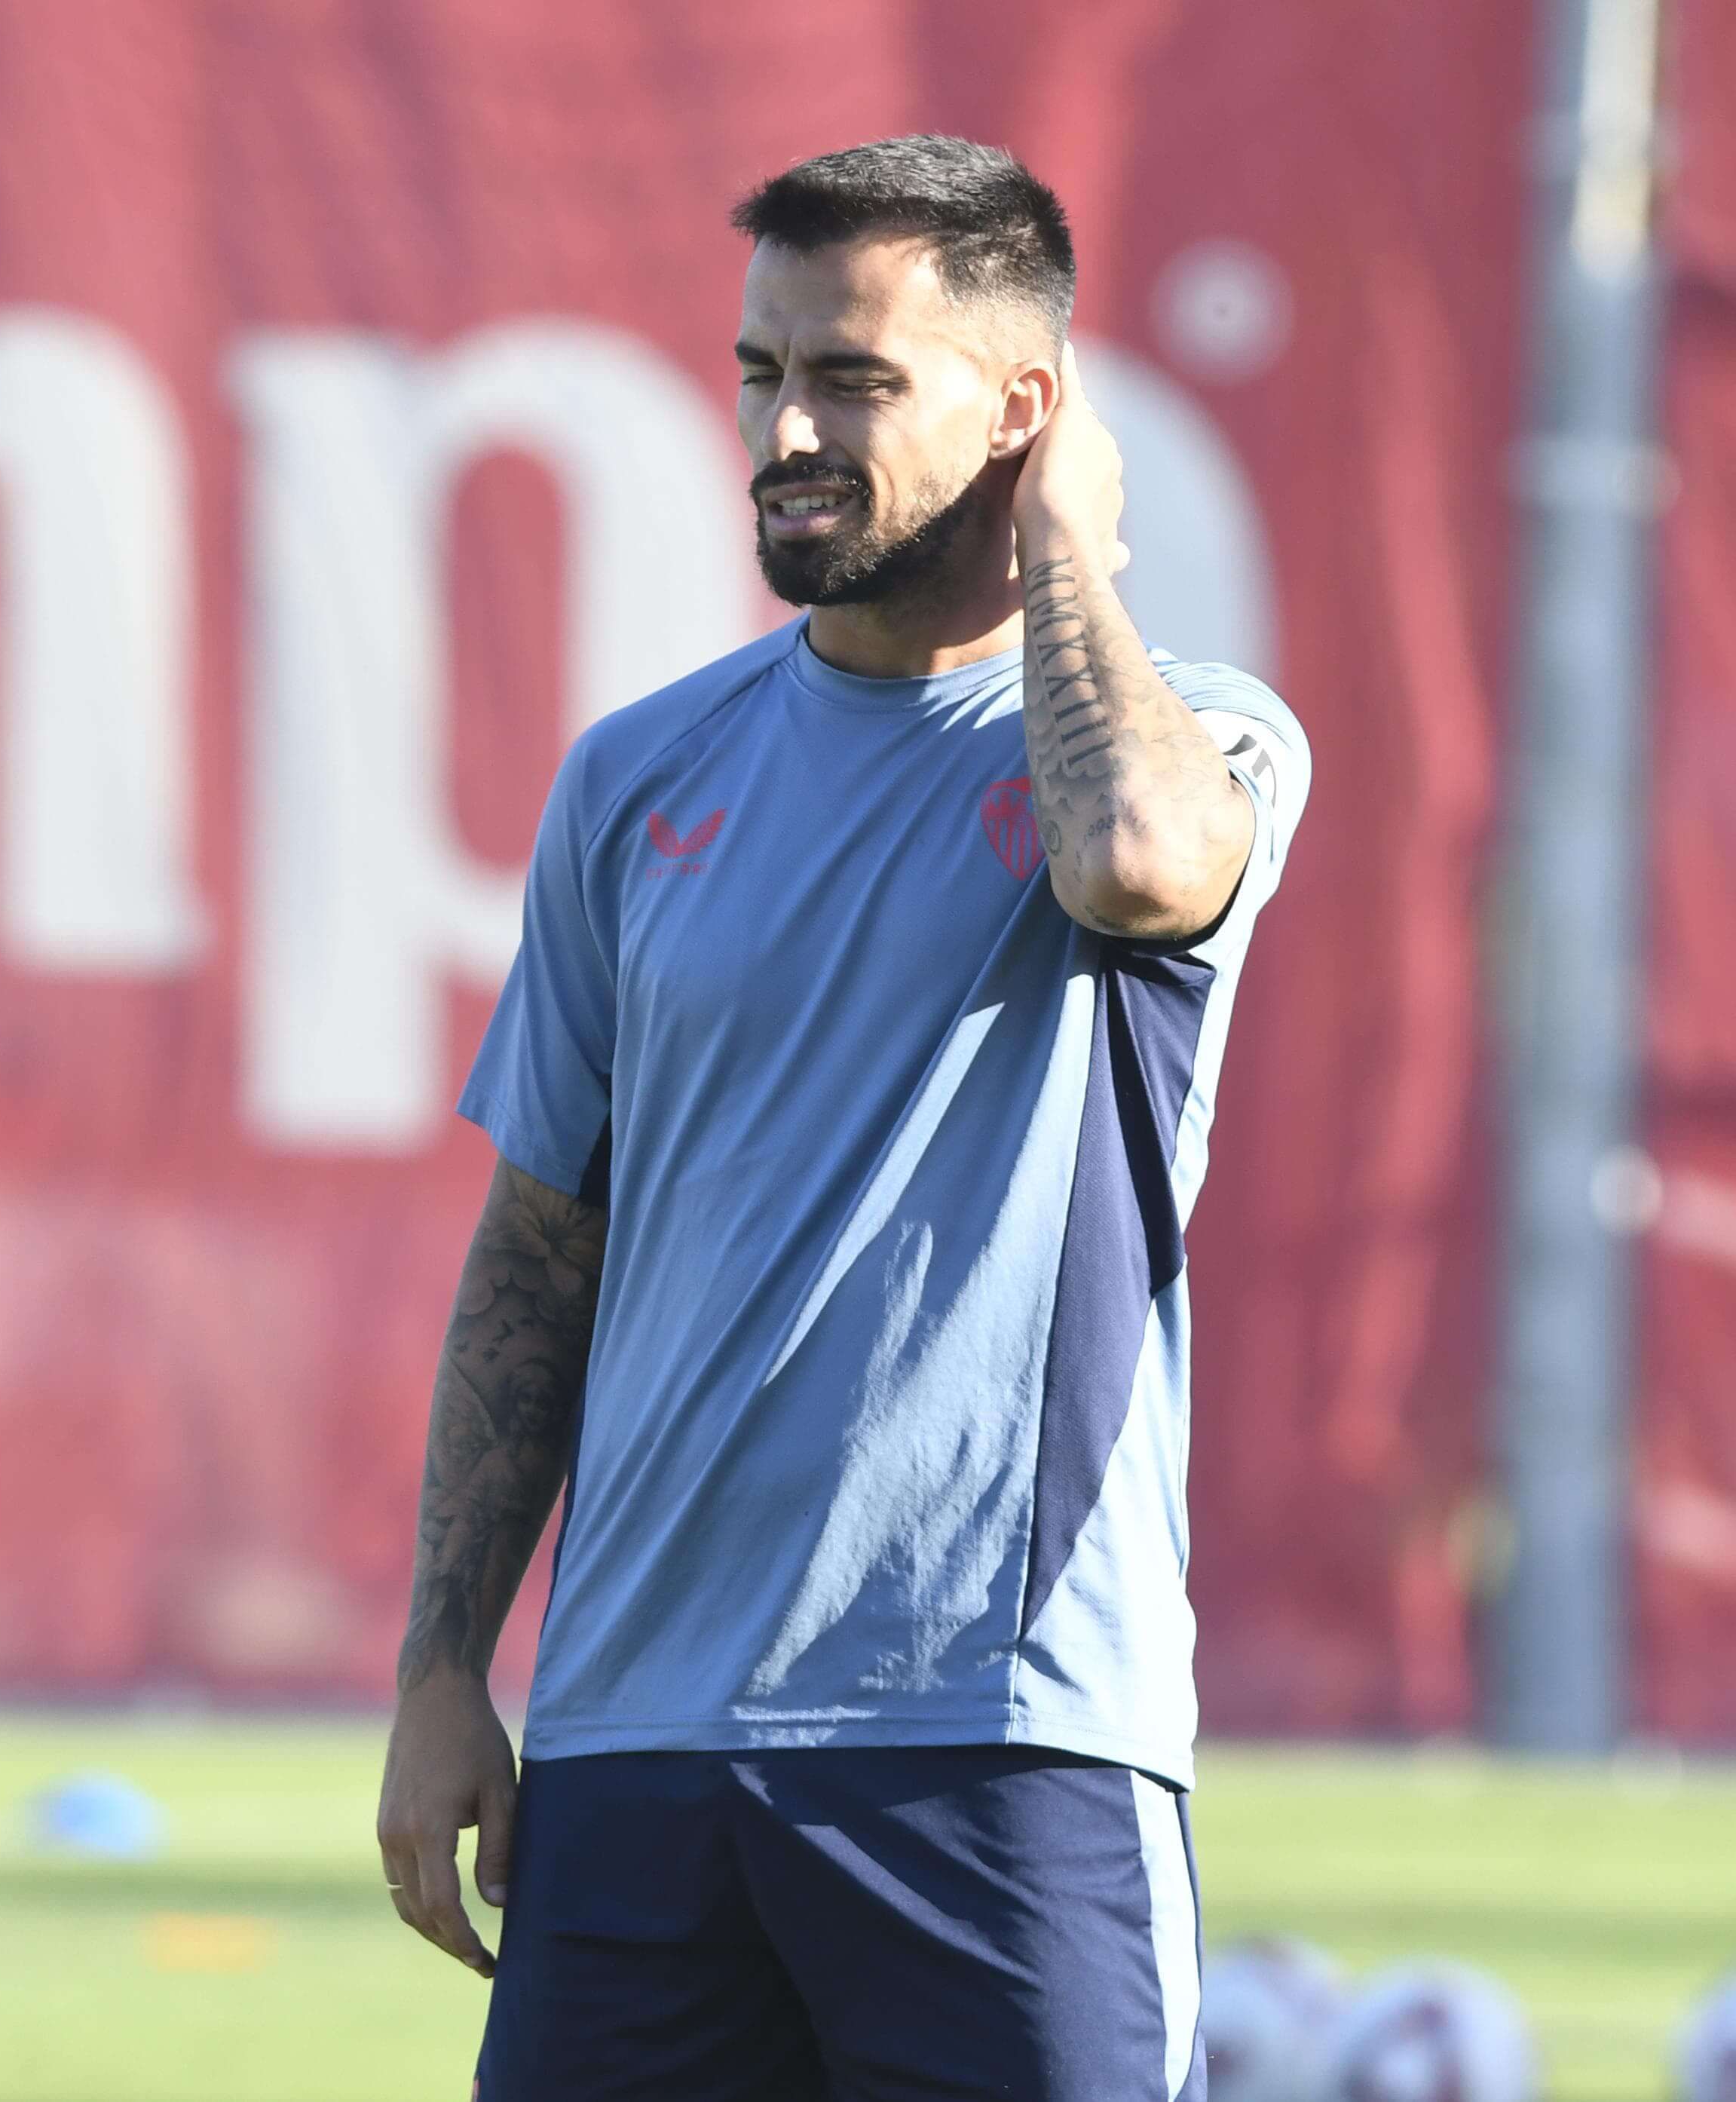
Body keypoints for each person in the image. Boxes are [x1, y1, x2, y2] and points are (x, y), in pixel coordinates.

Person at [375, 136, 1310, 2100]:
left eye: (855, 380)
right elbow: (540, 1249)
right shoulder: (634, 782)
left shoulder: (1196, 736)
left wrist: (1062, 547)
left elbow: (1133, 858)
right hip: (634, 1743)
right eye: (757, 372)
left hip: (999, 1744)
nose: (781, 430)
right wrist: (440, 1669)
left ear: (1023, 414)